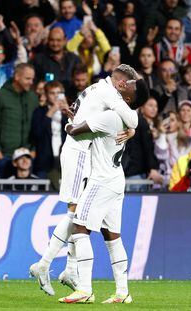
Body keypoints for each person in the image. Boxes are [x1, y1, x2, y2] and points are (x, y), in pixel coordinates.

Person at [29, 65, 147, 296]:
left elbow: (78, 109)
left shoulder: (96, 87)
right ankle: (46, 265)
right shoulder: (110, 94)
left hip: (83, 150)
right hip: (79, 152)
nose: (128, 88)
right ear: (122, 84)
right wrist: (132, 130)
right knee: (76, 214)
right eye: (129, 84)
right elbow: (132, 117)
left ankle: (66, 269)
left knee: (78, 214)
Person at [58, 99, 147, 303]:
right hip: (116, 178)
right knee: (112, 236)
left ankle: (84, 289)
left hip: (101, 181)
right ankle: (123, 292)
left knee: (79, 229)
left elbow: (74, 131)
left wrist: (68, 123)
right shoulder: (123, 119)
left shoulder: (107, 118)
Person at [0, 63, 39, 178]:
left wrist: (33, 149)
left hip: (27, 155)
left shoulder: (33, 98)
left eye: (32, 79)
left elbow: (36, 125)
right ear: (16, 77)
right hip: (5, 155)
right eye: (27, 78)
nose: (31, 82)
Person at [30, 81, 68, 190]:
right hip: (45, 161)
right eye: (52, 93)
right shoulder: (39, 112)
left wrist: (68, 111)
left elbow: (76, 130)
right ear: (46, 95)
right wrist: (51, 112)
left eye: (59, 93)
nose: (56, 96)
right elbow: (37, 133)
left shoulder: (68, 111)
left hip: (64, 161)